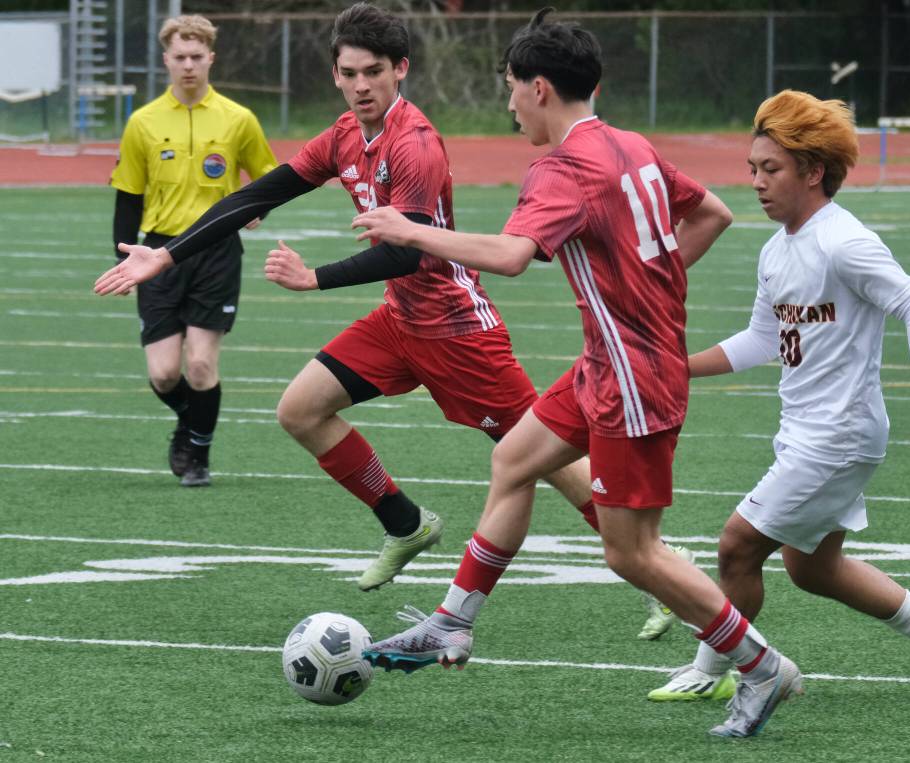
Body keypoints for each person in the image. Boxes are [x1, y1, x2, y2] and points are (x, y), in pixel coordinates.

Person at [96, 4, 664, 611]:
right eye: (349, 72)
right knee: (301, 411)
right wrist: (167, 256)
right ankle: (404, 523)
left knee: (540, 458)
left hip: (456, 330)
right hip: (401, 322)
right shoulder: (344, 134)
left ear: (401, 70)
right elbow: (262, 191)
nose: (361, 84)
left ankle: (657, 567)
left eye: (373, 71)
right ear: (336, 74)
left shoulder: (415, 142)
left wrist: (315, 279)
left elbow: (407, 255)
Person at [353, 9, 802, 739]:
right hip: (611, 361)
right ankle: (451, 622)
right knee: (514, 458)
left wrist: (408, 228)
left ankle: (759, 665)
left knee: (632, 551)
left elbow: (508, 255)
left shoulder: (564, 165)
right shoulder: (631, 144)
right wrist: (645, 287)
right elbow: (713, 212)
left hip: (631, 378)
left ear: (538, 88)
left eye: (510, 90)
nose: (507, 105)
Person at [646, 90, 910, 705]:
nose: (755, 182)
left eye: (769, 169)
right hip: (807, 429)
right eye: (752, 169)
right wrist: (676, 368)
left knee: (736, 546)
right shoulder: (777, 249)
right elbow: (760, 339)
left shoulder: (843, 241)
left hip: (839, 433)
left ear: (813, 172)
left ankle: (719, 667)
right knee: (813, 568)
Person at [109, 14, 276, 487]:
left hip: (216, 250)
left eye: (196, 57)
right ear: (166, 60)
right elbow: (128, 195)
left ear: (211, 59)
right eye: (179, 57)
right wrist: (123, 262)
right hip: (157, 252)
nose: (188, 66)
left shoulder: (238, 118)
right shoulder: (142, 122)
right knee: (164, 374)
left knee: (201, 365)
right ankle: (193, 421)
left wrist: (259, 205)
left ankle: (198, 453)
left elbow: (269, 177)